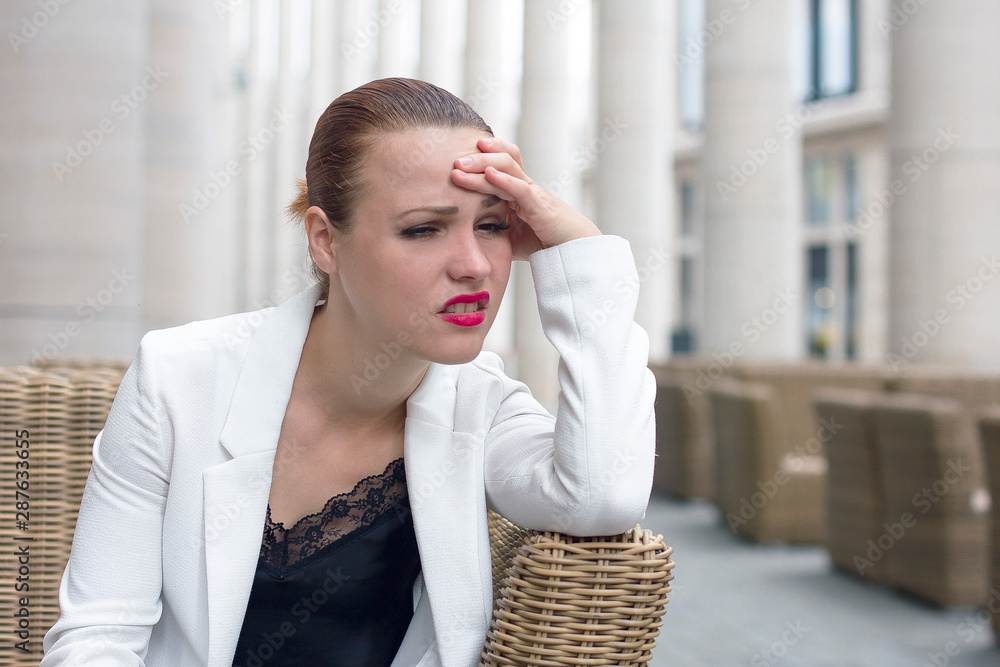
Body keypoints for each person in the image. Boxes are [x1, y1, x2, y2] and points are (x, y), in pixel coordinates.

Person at [41, 77, 656, 667]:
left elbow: (601, 494)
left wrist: (579, 251)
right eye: (423, 229)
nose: (474, 265)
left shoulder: (483, 408)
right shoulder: (177, 380)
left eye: (492, 225)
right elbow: (98, 635)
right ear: (325, 241)